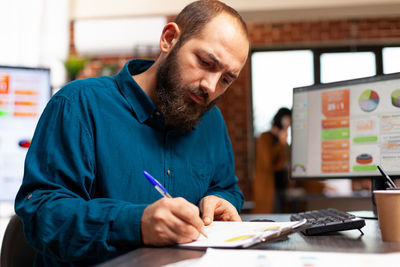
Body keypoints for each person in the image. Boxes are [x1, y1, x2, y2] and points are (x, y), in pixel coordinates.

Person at [14, 1, 249, 266]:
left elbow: (225, 186)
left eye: (227, 79)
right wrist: (136, 224)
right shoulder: (78, 105)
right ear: (169, 39)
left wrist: (221, 200)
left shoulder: (211, 120)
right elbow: (42, 213)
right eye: (205, 62)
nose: (210, 86)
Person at [252, 108, 292, 213]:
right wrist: (280, 143)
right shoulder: (265, 138)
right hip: (268, 188)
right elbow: (268, 163)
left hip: (281, 186)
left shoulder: (283, 142)